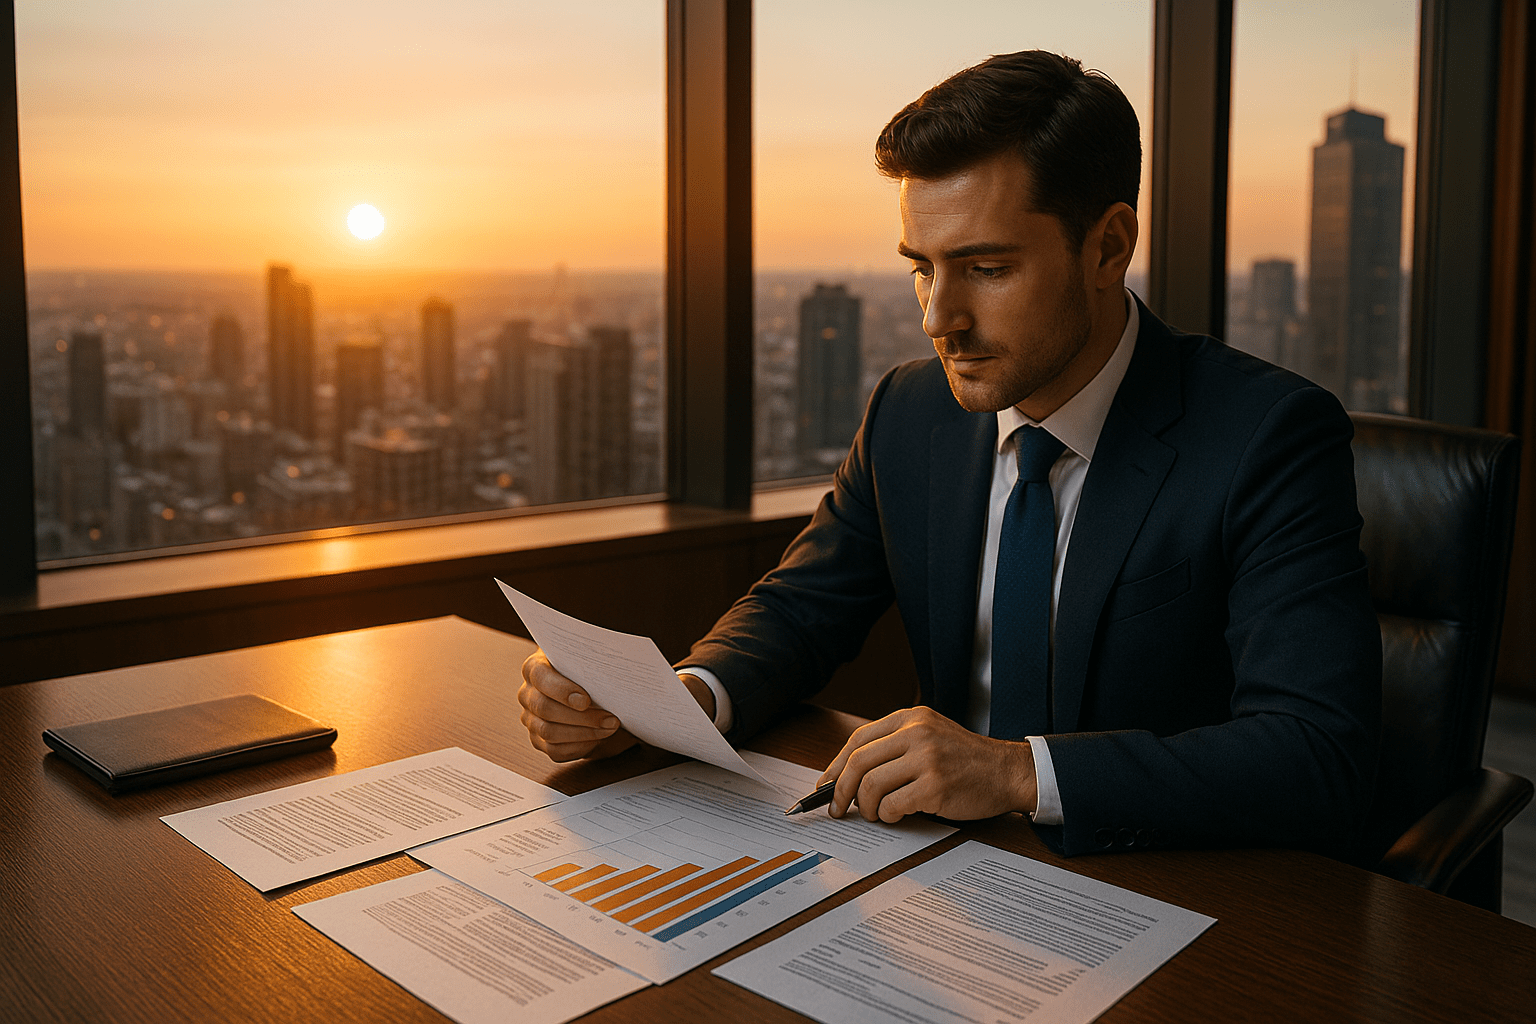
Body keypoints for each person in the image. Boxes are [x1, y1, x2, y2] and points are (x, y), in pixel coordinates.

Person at [518, 50, 1381, 859]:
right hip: (939, 875)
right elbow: (800, 609)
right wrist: (677, 704)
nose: (939, 318)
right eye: (922, 269)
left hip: (1166, 885)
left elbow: (1318, 751)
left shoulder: (1266, 435)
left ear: (1109, 247)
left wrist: (1012, 772)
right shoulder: (911, 410)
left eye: (987, 268)